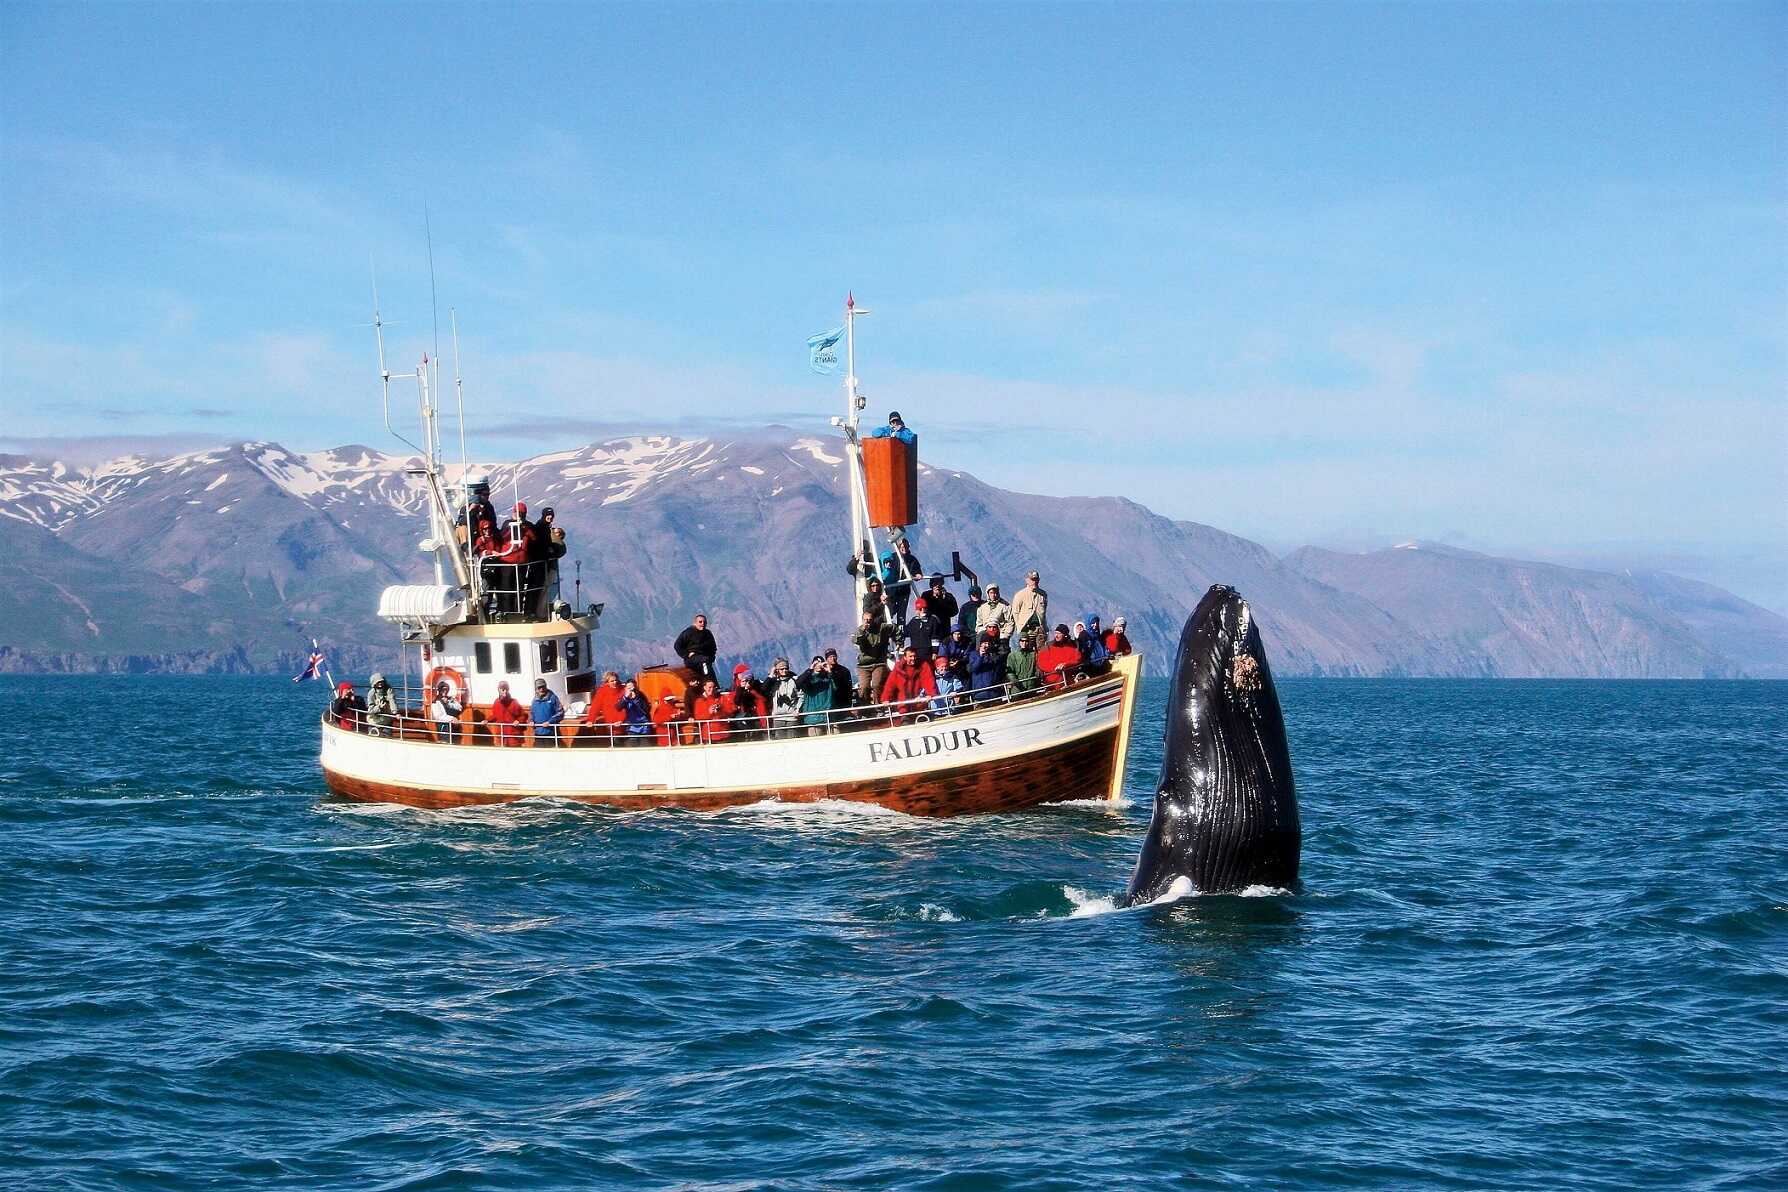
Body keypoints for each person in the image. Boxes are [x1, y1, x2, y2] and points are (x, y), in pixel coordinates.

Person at [880, 645, 937, 722]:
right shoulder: (898, 668)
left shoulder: (923, 665)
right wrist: (885, 698)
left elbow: (928, 680)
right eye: (910, 656)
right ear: (905, 657)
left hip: (919, 704)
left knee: (923, 720)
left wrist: (930, 693)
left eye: (914, 656)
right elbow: (890, 684)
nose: (913, 658)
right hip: (903, 706)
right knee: (905, 722)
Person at [852, 610, 895, 707]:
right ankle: (865, 709)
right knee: (864, 687)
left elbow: (894, 628)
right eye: (865, 620)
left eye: (870, 620)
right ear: (862, 620)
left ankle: (878, 707)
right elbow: (855, 640)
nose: (867, 622)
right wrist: (863, 631)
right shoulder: (859, 631)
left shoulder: (881, 628)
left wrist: (899, 642)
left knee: (876, 684)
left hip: (878, 663)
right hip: (864, 665)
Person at [880, 535, 923, 622]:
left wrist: (917, 575)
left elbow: (917, 572)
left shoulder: (912, 560)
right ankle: (887, 627)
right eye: (902, 547)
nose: (905, 549)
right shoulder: (892, 558)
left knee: (902, 614)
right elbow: (885, 571)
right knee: (889, 612)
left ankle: (900, 630)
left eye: (906, 547)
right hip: (892, 590)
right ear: (898, 547)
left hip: (904, 591)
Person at [795, 655, 839, 735]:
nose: (819, 666)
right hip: (813, 718)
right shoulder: (808, 680)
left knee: (836, 741)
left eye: (821, 663)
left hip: (829, 716)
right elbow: (798, 682)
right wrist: (811, 670)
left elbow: (836, 688)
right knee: (816, 743)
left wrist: (829, 672)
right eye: (816, 664)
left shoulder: (828, 679)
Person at [673, 614, 718, 684]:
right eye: (700, 622)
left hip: (705, 659)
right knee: (705, 662)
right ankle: (708, 682)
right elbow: (677, 645)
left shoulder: (708, 633)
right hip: (692, 659)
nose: (703, 624)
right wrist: (686, 654)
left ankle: (715, 686)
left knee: (707, 665)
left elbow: (713, 647)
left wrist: (712, 657)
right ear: (695, 623)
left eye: (704, 622)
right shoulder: (688, 632)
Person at [453, 474, 498, 544]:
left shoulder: (488, 507)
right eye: (485, 494)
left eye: (488, 494)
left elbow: (493, 524)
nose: (487, 496)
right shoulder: (466, 508)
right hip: (472, 539)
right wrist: (471, 511)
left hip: (485, 537)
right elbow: (462, 523)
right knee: (462, 529)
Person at [765, 657, 803, 738]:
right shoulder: (773, 682)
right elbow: (763, 689)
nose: (784, 671)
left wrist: (797, 709)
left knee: (793, 740)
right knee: (780, 743)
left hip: (792, 717)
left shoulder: (794, 680)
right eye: (781, 669)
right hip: (778, 717)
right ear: (777, 670)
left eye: (786, 668)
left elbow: (801, 696)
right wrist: (771, 674)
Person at [1010, 570, 1049, 646]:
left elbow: (1044, 612)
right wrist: (1020, 626)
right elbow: (1015, 612)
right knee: (1028, 650)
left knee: (1042, 652)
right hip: (1026, 629)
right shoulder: (1020, 595)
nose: (1034, 582)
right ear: (1027, 580)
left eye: (1036, 579)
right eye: (1032, 580)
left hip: (1040, 628)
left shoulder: (1043, 594)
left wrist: (1044, 628)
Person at [1037, 625, 1082, 690]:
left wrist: (1066, 665)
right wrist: (1056, 668)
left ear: (1065, 635)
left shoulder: (1072, 647)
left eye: (1059, 633)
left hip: (1067, 682)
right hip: (1051, 683)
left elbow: (1078, 659)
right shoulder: (1048, 647)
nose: (1056, 635)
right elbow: (1041, 662)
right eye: (1055, 633)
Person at [586, 671, 627, 742]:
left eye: (616, 680)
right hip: (610, 725)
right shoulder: (602, 691)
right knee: (614, 743)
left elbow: (626, 708)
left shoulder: (624, 690)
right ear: (607, 682)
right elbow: (595, 707)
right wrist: (590, 720)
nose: (615, 682)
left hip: (624, 724)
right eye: (612, 681)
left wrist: (621, 720)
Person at [902, 595, 942, 665]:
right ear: (916, 610)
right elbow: (906, 632)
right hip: (915, 651)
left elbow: (935, 637)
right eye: (920, 609)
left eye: (924, 608)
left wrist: (935, 652)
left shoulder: (933, 620)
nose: (923, 611)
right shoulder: (914, 621)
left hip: (927, 652)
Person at [728, 663, 767, 735]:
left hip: (754, 715)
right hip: (740, 716)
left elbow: (762, 699)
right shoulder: (734, 688)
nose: (742, 676)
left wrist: (750, 690)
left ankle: (763, 727)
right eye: (739, 674)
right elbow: (735, 701)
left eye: (743, 673)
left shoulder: (755, 685)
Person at [692, 678, 733, 743]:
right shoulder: (699, 701)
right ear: (704, 687)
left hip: (723, 733)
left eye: (713, 687)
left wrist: (721, 710)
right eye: (709, 687)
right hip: (709, 735)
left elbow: (730, 712)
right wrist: (709, 712)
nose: (712, 689)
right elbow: (698, 718)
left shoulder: (721, 698)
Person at [487, 680, 527, 746]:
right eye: (503, 689)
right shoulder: (496, 702)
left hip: (513, 736)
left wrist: (518, 721)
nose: (505, 691)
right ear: (499, 690)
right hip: (502, 735)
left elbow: (523, 715)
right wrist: (487, 720)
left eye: (506, 689)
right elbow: (495, 716)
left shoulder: (514, 702)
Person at [968, 638, 1006, 704]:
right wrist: (981, 656)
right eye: (985, 643)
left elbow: (998, 672)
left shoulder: (993, 655)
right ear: (980, 644)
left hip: (994, 693)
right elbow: (973, 669)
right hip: (979, 695)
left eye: (988, 643)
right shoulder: (973, 655)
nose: (987, 645)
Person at [1005, 631, 1041, 695]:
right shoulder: (1012, 655)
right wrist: (1015, 681)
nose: (1024, 643)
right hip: (1017, 689)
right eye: (1022, 641)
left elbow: (1037, 667)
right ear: (1018, 642)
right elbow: (1010, 672)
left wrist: (1038, 672)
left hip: (1031, 687)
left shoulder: (1033, 654)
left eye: (1026, 641)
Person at [428, 679, 464, 743]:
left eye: (446, 689)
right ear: (439, 690)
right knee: (445, 741)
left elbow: (459, 708)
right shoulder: (435, 702)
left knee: (456, 741)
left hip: (454, 727)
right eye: (443, 689)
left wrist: (448, 704)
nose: (445, 691)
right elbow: (438, 716)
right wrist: (452, 718)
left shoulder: (451, 699)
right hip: (444, 726)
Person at [530, 678, 565, 744]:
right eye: (539, 687)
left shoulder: (553, 698)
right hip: (538, 734)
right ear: (536, 689)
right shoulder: (534, 701)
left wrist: (550, 722)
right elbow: (532, 713)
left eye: (543, 687)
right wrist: (531, 720)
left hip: (551, 733)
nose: (541, 689)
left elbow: (561, 713)